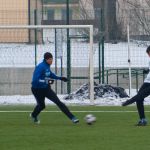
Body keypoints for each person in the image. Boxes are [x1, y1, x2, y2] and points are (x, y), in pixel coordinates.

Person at [30, 52, 79, 124]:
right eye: (50, 59)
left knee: (58, 102)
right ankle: (34, 115)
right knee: (41, 106)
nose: (51, 61)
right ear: (45, 59)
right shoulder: (40, 67)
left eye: (52, 59)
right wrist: (46, 81)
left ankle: (72, 118)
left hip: (46, 89)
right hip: (36, 89)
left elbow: (50, 74)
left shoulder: (47, 66)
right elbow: (35, 80)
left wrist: (60, 78)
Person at [122, 45, 150, 126]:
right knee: (139, 99)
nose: (148, 55)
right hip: (147, 81)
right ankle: (143, 120)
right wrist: (147, 70)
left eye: (148, 53)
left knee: (140, 96)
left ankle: (129, 101)